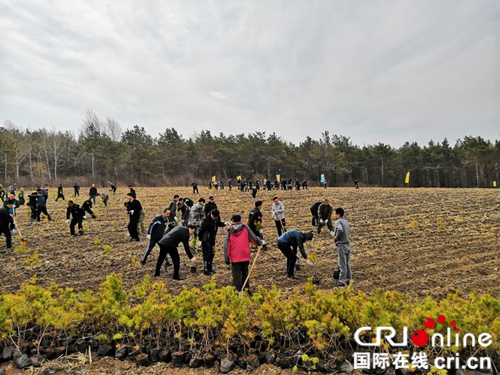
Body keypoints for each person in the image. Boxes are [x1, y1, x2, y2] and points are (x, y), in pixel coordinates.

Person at [223, 214, 264, 292]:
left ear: (232, 221)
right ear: (240, 220)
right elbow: (253, 238)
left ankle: (239, 291)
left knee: (236, 275)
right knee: (245, 273)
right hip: (245, 254)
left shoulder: (229, 231)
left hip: (235, 256)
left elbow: (226, 245)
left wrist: (226, 258)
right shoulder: (245, 228)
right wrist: (259, 242)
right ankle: (246, 289)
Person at [199, 209, 226, 275]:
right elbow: (201, 230)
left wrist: (224, 224)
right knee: (206, 254)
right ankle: (205, 269)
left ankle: (210, 268)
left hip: (212, 239)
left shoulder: (217, 218)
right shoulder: (206, 220)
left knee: (212, 253)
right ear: (211, 214)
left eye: (215, 217)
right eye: (213, 217)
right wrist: (200, 239)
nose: (214, 218)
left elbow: (218, 223)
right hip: (206, 239)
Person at [332, 208, 351, 287]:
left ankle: (341, 282)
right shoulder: (346, 221)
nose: (334, 215)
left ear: (338, 215)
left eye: (335, 214)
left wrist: (336, 237)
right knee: (347, 263)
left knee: (342, 264)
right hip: (347, 244)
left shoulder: (338, 221)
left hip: (342, 245)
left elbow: (340, 230)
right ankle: (348, 279)